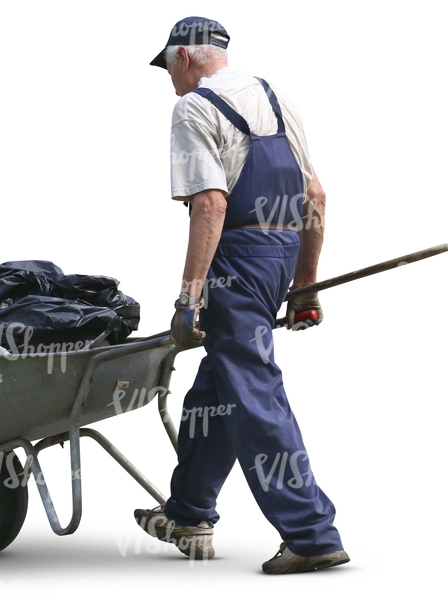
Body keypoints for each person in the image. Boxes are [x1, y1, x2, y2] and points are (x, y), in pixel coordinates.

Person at [134, 16, 349, 575]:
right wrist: (303, 285)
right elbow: (315, 197)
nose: (170, 80)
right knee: (218, 390)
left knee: (253, 394)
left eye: (168, 68)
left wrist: (189, 299)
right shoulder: (275, 99)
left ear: (183, 57)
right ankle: (188, 511)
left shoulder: (193, 107)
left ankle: (310, 532)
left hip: (234, 263)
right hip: (277, 258)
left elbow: (209, 205)